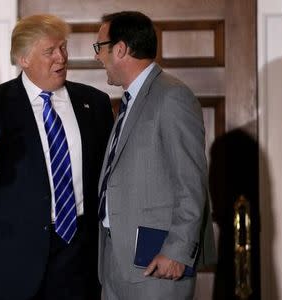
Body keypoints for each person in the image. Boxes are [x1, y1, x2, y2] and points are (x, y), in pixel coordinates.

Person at [0, 14, 114, 300]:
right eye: (49, 51)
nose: (61, 58)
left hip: (79, 256)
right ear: (23, 59)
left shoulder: (95, 103)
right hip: (13, 261)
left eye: (63, 47)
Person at [94, 11, 216, 299]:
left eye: (100, 47)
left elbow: (191, 183)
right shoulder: (129, 102)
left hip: (156, 265)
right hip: (115, 263)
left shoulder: (172, 96)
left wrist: (177, 251)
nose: (98, 57)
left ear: (120, 49)